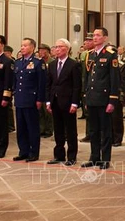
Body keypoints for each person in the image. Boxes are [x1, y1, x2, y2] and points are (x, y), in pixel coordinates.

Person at [81, 27, 119, 170]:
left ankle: (105, 158)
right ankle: (94, 157)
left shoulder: (110, 55)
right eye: (93, 36)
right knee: (93, 130)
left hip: (104, 98)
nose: (95, 38)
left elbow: (114, 80)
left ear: (105, 38)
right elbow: (87, 78)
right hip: (92, 98)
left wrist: (112, 100)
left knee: (105, 130)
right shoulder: (89, 54)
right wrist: (85, 97)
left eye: (98, 35)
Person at [46, 38, 82, 166]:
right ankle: (59, 155)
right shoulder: (51, 65)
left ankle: (72, 156)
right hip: (55, 101)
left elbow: (77, 86)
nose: (57, 49)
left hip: (68, 102)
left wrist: (75, 103)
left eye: (60, 47)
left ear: (67, 49)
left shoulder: (74, 64)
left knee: (71, 130)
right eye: (56, 47)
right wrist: (48, 101)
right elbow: (49, 84)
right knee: (58, 130)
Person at [13, 38, 46, 162]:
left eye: (25, 46)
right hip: (20, 99)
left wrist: (39, 99)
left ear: (32, 47)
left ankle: (34, 152)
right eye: (21, 45)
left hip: (31, 99)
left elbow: (41, 83)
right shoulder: (17, 62)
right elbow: (15, 81)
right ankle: (23, 151)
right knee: (21, 127)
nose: (22, 48)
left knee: (32, 127)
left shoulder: (38, 62)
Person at [38, 43, 54, 138]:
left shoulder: (52, 62)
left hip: (49, 89)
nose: (41, 52)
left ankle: (49, 130)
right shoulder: (39, 62)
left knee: (48, 111)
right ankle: (42, 129)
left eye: (43, 50)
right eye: (39, 51)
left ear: (47, 51)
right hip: (41, 89)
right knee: (40, 112)